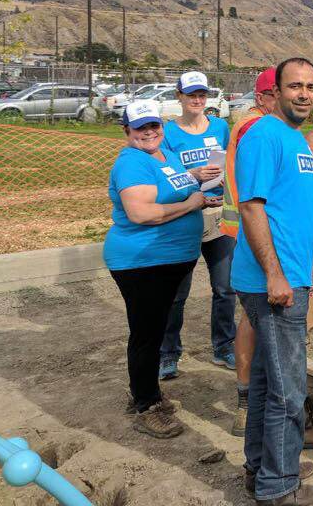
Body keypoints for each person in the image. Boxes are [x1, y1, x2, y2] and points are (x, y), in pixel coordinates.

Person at [233, 57, 313, 506]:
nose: (302, 93)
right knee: (288, 391)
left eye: (309, 87)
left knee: (266, 382)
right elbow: (251, 206)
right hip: (272, 284)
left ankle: (261, 470)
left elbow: (308, 168)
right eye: (294, 86)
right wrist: (276, 274)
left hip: (288, 276)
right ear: (274, 92)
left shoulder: (293, 139)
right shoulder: (264, 135)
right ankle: (279, 489)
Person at [103, 99, 216, 439]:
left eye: (153, 125)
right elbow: (141, 213)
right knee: (147, 333)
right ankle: (145, 406)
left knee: (156, 327)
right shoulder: (131, 163)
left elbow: (176, 185)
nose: (149, 132)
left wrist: (197, 182)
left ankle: (146, 392)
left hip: (168, 260)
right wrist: (192, 204)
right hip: (142, 262)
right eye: (140, 128)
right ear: (127, 132)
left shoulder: (165, 156)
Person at [158, 70, 236, 380]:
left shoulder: (220, 126)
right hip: (185, 215)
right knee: (176, 293)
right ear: (179, 96)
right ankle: (168, 353)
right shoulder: (168, 133)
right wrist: (194, 176)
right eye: (191, 94)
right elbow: (164, 172)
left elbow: (228, 162)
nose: (197, 99)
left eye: (201, 94)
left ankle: (224, 346)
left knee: (225, 287)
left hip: (218, 215)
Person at [224, 67, 278, 437]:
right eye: (280, 92)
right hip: (253, 233)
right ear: (262, 97)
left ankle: (253, 400)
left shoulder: (259, 126)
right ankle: (252, 401)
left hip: (249, 230)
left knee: (256, 318)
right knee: (260, 319)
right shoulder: (254, 128)